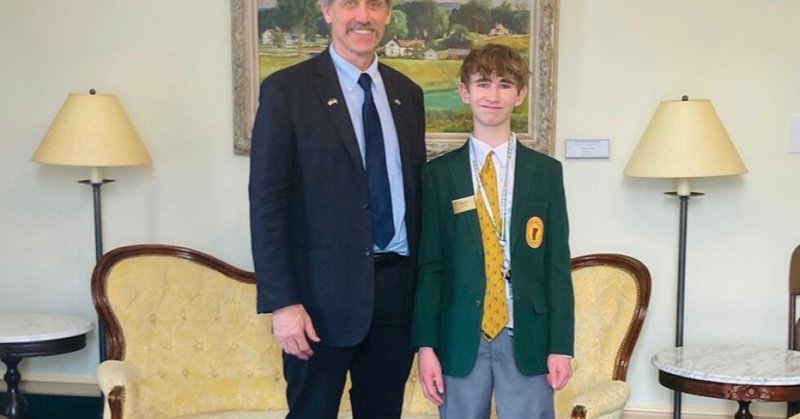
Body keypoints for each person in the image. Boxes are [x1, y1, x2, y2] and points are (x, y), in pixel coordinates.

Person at [248, 0, 426, 417]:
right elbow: (267, 203)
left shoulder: (407, 94)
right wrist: (283, 302)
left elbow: (414, 194)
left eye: (374, 4)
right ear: (327, 11)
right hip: (318, 302)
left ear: (387, 14)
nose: (363, 15)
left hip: (397, 296)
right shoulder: (287, 90)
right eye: (349, 3)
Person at [410, 43, 574, 419]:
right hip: (460, 337)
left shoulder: (545, 173)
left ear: (520, 95)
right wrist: (425, 347)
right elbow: (431, 268)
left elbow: (556, 266)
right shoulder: (439, 175)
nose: (493, 95)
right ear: (465, 91)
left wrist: (561, 345)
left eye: (505, 85)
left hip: (527, 335)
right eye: (483, 83)